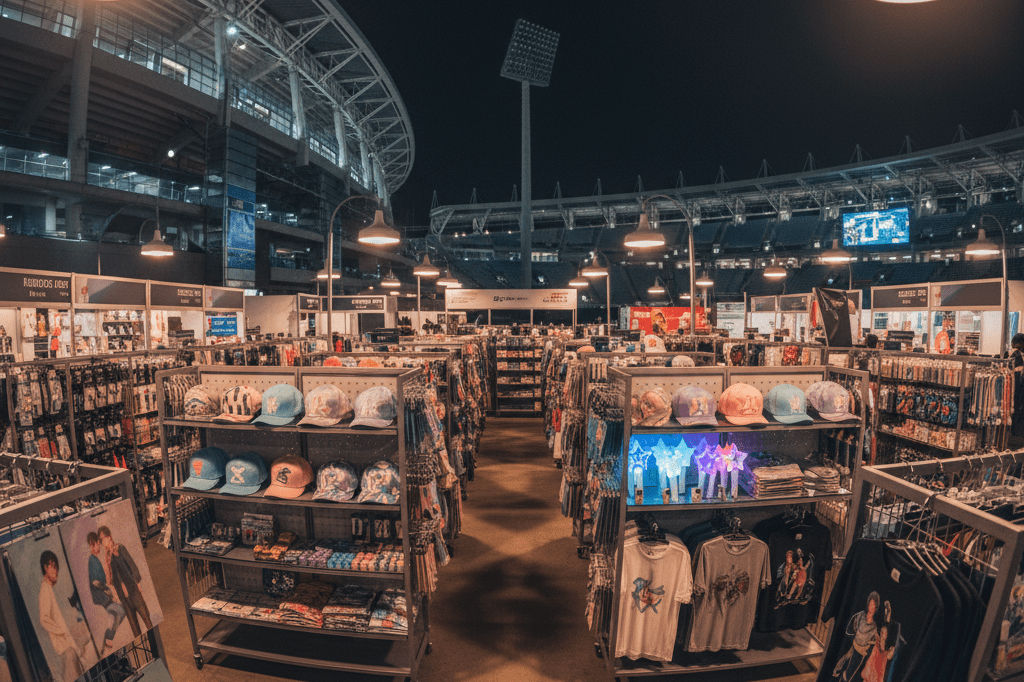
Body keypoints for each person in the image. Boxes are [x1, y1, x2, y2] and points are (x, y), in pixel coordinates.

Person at [38, 551, 85, 682]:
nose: (56, 571)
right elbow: (44, 619)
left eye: (57, 567)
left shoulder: (49, 589)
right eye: (53, 566)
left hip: (67, 648)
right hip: (65, 648)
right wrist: (61, 630)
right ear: (45, 568)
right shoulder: (45, 590)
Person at [97, 526, 152, 637]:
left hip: (133, 591)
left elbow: (132, 566)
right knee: (135, 630)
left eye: (105, 538)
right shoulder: (107, 558)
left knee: (147, 620)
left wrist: (138, 583)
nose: (104, 542)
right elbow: (110, 580)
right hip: (123, 597)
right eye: (102, 540)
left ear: (109, 536)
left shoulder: (120, 548)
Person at [87, 531, 125, 654]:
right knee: (120, 611)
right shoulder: (92, 561)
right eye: (98, 544)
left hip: (104, 597)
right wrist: (107, 590)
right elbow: (95, 582)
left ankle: (108, 638)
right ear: (93, 544)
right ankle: (108, 638)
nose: (99, 546)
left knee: (119, 611)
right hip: (100, 599)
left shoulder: (95, 560)